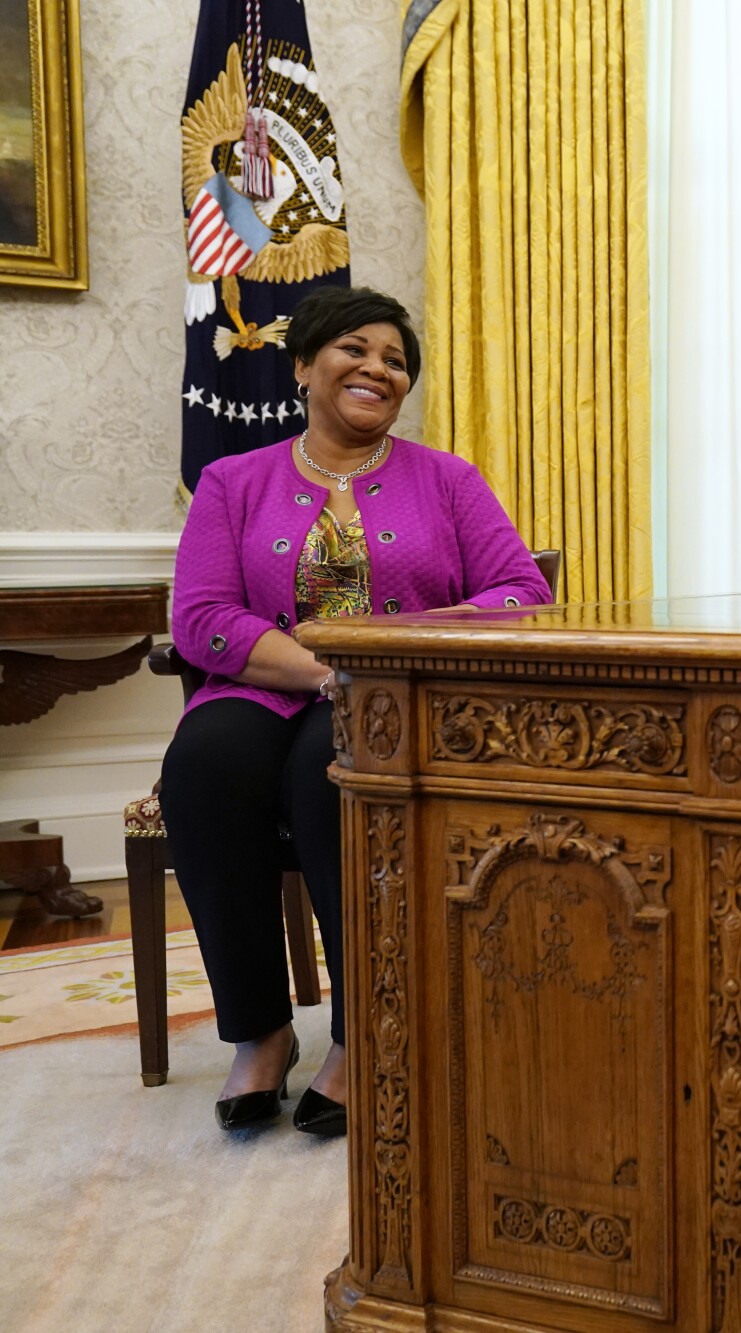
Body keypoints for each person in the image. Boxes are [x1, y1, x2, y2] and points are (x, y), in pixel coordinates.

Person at [161, 287, 550, 1136]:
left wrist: (393, 644)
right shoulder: (233, 481)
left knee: (328, 773)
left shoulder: (448, 479)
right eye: (354, 348)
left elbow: (523, 592)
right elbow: (199, 619)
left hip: (394, 703)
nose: (378, 367)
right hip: (267, 686)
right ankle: (260, 1031)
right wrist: (324, 672)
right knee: (205, 763)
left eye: (397, 360)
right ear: (303, 366)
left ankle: (359, 1035)